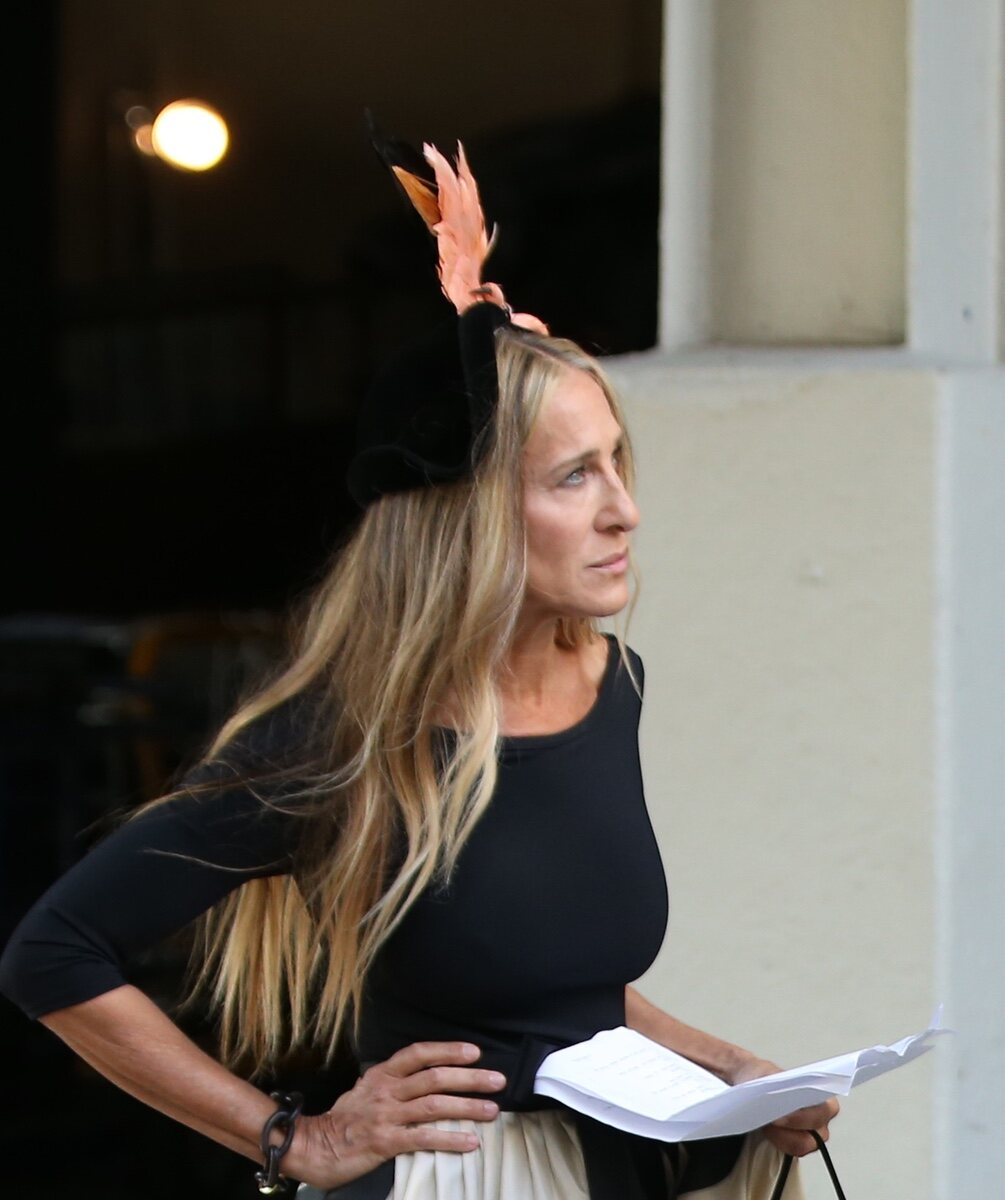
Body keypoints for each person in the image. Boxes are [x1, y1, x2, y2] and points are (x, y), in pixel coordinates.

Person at [0, 138, 836, 1199]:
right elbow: (55, 952)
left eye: (617, 463)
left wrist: (734, 1073)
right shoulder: (340, 740)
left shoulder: (609, 683)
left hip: (616, 1168)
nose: (624, 509)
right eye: (575, 477)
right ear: (468, 518)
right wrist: (292, 1140)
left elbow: (560, 994)